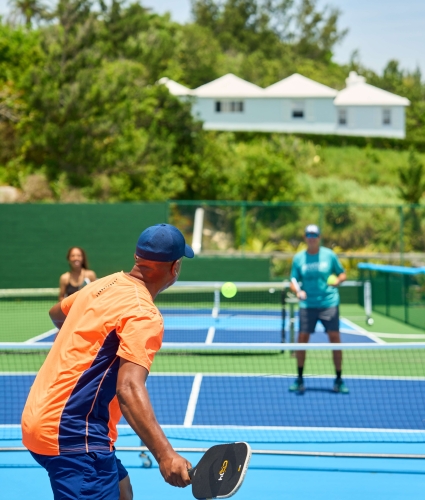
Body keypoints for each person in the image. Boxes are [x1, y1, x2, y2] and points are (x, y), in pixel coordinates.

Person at [21, 224, 195, 500]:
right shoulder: (143, 313)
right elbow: (128, 388)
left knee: (121, 491)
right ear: (175, 268)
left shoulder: (105, 283)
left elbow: (57, 313)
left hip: (38, 419)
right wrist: (166, 455)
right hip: (74, 435)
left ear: (137, 257)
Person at [289, 224, 348, 394]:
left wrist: (338, 281)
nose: (312, 238)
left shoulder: (329, 256)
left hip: (329, 303)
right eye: (309, 235)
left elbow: (342, 273)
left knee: (335, 339)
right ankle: (299, 379)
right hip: (307, 305)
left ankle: (339, 379)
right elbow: (292, 281)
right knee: (302, 340)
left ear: (319, 237)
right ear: (305, 237)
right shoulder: (299, 258)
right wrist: (298, 291)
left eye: (314, 235)